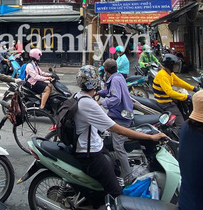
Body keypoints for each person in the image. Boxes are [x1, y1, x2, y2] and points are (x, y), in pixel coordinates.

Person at [73, 65, 166, 196]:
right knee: (116, 191)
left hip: (118, 118)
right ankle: (126, 179)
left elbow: (113, 96)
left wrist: (101, 101)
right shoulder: (91, 102)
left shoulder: (78, 96)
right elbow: (118, 130)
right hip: (91, 151)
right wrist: (150, 137)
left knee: (114, 165)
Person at [97, 59, 135, 185]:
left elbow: (115, 98)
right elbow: (109, 92)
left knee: (118, 146)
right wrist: (98, 93)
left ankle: (128, 178)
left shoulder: (114, 79)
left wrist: (101, 102)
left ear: (106, 70)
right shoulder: (118, 77)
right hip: (121, 113)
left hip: (121, 116)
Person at [152, 54, 196, 127]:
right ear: (170, 66)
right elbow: (170, 92)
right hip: (165, 102)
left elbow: (179, 82)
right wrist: (186, 97)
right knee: (181, 122)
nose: (176, 67)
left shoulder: (169, 73)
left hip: (169, 99)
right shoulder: (162, 75)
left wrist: (193, 88)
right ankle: (180, 135)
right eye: (175, 65)